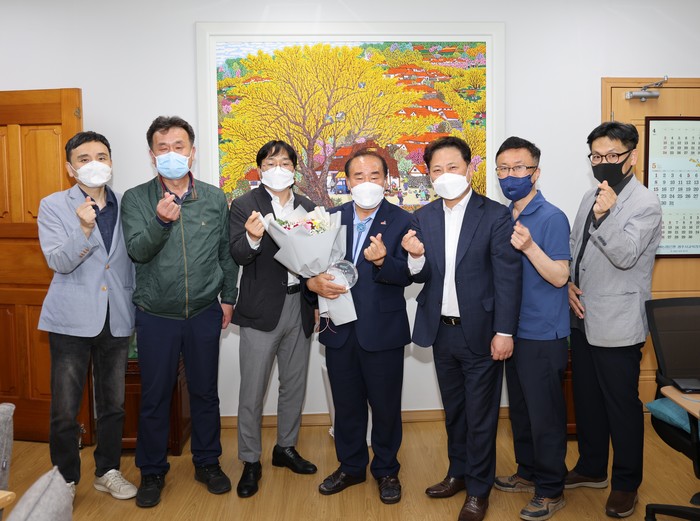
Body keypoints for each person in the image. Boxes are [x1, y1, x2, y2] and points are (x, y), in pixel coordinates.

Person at [121, 116, 239, 508]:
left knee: (205, 393)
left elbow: (225, 253)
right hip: (156, 314)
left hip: (204, 311)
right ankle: (152, 471)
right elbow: (137, 250)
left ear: (192, 151)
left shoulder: (213, 197)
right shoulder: (136, 199)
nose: (171, 153)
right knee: (155, 396)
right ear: (152, 154)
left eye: (179, 146)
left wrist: (228, 297)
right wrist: (160, 220)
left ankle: (207, 462)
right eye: (163, 147)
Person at [402, 136, 521, 521]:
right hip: (442, 331)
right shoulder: (424, 217)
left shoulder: (495, 215)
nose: (445, 175)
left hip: (483, 332)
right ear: (429, 175)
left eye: (452, 167)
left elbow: (507, 278)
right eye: (436, 170)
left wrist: (504, 331)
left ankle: (479, 490)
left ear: (469, 169)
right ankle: (458, 473)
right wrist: (415, 258)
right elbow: (421, 275)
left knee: (481, 416)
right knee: (454, 411)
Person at [566, 121, 662, 519]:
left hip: (619, 323)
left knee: (621, 406)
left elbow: (625, 256)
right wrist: (568, 284)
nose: (602, 162)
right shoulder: (589, 195)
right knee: (587, 400)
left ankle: (625, 483)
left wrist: (606, 217)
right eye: (596, 156)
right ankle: (591, 467)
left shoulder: (645, 203)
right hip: (581, 315)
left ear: (631, 157)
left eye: (611, 155)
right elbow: (576, 246)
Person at [307, 148, 412, 504]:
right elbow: (310, 268)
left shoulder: (403, 220)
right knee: (346, 405)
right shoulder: (329, 219)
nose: (367, 183)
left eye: (374, 176)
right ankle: (351, 467)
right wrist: (311, 283)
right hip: (338, 329)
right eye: (359, 176)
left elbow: (413, 274)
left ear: (386, 180)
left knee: (385, 407)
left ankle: (386, 470)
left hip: (382, 331)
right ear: (347, 182)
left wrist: (383, 262)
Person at [37, 131, 137, 501]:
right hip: (70, 319)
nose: (94, 163)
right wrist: (82, 229)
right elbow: (58, 261)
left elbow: (133, 259)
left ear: (111, 162)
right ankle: (64, 480)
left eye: (101, 156)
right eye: (84, 158)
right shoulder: (53, 205)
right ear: (70, 168)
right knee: (65, 409)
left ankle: (107, 470)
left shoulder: (128, 204)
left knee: (113, 404)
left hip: (118, 316)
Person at [228, 140, 317, 498]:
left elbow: (315, 259)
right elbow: (237, 254)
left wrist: (316, 302)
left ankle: (286, 448)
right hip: (261, 309)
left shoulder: (308, 207)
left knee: (293, 385)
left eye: (284, 162)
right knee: (252, 390)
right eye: (270, 162)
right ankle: (250, 460)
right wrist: (252, 238)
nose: (278, 168)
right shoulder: (244, 205)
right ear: (260, 168)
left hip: (300, 306)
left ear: (294, 169)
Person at [491, 137, 570, 521]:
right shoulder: (503, 215)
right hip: (512, 331)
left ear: (535, 173)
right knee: (521, 410)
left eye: (519, 168)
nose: (511, 175)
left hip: (543, 332)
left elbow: (560, 276)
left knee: (545, 416)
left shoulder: (551, 217)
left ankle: (551, 489)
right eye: (503, 169)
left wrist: (530, 247)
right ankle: (528, 472)